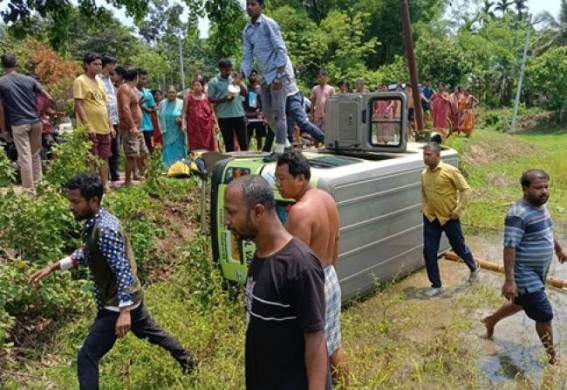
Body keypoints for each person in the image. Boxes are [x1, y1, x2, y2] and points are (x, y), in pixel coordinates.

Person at [29, 173, 195, 388]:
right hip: (128, 299)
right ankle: (189, 362)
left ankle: (188, 362)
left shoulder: (105, 229)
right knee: (153, 333)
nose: (71, 207)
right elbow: (88, 252)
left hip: (117, 305)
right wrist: (54, 267)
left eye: (75, 202)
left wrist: (124, 311)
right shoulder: (98, 221)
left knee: (87, 355)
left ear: (94, 201)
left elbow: (121, 268)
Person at [223, 174, 330, 390]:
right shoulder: (261, 255)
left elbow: (315, 340)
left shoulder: (299, 266)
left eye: (232, 213)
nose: (226, 221)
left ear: (258, 212)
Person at [275, 151, 348, 386]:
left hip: (312, 285)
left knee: (311, 350)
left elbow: (295, 267)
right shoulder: (326, 198)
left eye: (282, 179)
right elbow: (336, 240)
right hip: (330, 276)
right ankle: (346, 384)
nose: (278, 185)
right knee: (333, 344)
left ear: (300, 179)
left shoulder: (299, 212)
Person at [482, 170, 567, 365]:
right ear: (525, 189)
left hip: (538, 273)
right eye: (538, 188)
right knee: (544, 314)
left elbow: (548, 230)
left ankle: (491, 320)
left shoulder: (542, 207)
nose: (544, 191)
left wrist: (559, 250)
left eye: (546, 187)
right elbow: (509, 247)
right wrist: (510, 281)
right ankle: (552, 358)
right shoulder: (517, 215)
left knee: (522, 302)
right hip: (524, 274)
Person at [241, 0, 300, 161]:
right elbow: (247, 56)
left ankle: (280, 150)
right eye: (247, 4)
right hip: (265, 75)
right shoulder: (247, 31)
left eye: (253, 4)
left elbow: (281, 50)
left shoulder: (269, 24)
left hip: (279, 72)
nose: (249, 7)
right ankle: (287, 146)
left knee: (279, 113)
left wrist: (279, 76)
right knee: (267, 114)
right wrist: (241, 75)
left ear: (261, 6)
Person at [421, 142, 479, 297]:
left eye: (429, 154)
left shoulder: (450, 171)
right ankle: (436, 285)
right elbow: (425, 194)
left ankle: (473, 268)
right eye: (424, 154)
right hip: (431, 218)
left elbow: (466, 190)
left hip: (449, 217)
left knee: (458, 246)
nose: (425, 157)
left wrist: (458, 210)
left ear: (438, 155)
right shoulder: (424, 174)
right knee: (428, 251)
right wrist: (425, 208)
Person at [0, 53, 53, 192]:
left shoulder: (2, 82)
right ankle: (40, 187)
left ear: (2, 65)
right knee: (35, 155)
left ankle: (28, 191)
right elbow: (49, 98)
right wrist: (40, 114)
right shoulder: (29, 80)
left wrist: (4, 130)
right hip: (35, 122)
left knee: (24, 157)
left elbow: (1, 109)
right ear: (16, 64)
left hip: (19, 124)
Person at [73, 53, 114, 190]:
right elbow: (78, 104)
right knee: (90, 158)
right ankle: (90, 186)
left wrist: (110, 125)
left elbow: (104, 106)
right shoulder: (80, 81)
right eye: (95, 64)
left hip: (104, 127)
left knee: (104, 157)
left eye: (100, 64)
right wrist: (87, 125)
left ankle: (105, 184)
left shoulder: (100, 83)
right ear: (86, 65)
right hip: (90, 128)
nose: (98, 67)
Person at [208, 59, 248, 152]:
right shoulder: (214, 82)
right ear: (220, 69)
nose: (228, 72)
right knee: (228, 143)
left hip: (239, 115)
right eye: (225, 70)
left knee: (244, 142)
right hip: (224, 117)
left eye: (229, 70)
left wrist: (239, 80)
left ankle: (246, 160)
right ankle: (231, 163)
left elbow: (245, 93)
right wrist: (224, 99)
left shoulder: (235, 79)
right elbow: (210, 99)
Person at [117, 67, 148, 186]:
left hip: (138, 127)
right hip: (130, 128)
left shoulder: (132, 89)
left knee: (143, 152)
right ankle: (127, 181)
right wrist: (132, 126)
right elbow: (125, 108)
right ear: (136, 77)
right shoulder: (124, 88)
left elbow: (135, 104)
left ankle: (143, 174)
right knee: (131, 154)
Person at [97, 54, 121, 186]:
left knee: (113, 150)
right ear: (108, 65)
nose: (114, 68)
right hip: (104, 120)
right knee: (105, 151)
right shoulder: (98, 80)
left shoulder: (109, 81)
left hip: (113, 120)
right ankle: (105, 179)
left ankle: (114, 176)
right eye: (113, 65)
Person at [182, 77, 218, 152]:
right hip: (193, 128)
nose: (196, 87)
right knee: (195, 149)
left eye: (198, 85)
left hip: (207, 127)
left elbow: (212, 112)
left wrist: (216, 124)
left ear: (202, 86)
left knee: (208, 148)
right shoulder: (188, 98)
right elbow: (184, 112)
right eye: (194, 85)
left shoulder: (208, 98)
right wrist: (183, 124)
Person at [158, 85, 186, 170]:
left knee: (178, 148)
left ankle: (180, 168)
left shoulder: (181, 103)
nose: (171, 94)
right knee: (168, 149)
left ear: (176, 93)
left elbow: (185, 115)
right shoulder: (162, 103)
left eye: (173, 92)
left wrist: (181, 121)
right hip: (166, 131)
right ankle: (167, 168)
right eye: (169, 92)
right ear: (166, 93)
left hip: (178, 131)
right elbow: (159, 116)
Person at [244, 70, 267, 151]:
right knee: (247, 136)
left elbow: (264, 103)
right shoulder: (245, 89)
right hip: (248, 117)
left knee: (259, 136)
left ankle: (259, 151)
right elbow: (243, 102)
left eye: (254, 75)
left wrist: (264, 116)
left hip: (259, 117)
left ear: (257, 77)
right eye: (251, 75)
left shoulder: (261, 89)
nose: (252, 77)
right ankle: (246, 152)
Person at [137, 68, 156, 158]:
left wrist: (144, 107)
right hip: (137, 126)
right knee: (138, 150)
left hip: (148, 127)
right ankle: (141, 169)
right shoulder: (131, 91)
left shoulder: (148, 94)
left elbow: (153, 109)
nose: (143, 81)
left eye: (145, 79)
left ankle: (152, 166)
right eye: (142, 78)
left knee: (151, 146)